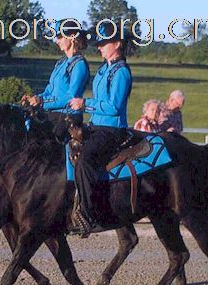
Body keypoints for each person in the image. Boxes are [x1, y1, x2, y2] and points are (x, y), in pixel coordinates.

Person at [69, 22, 133, 237]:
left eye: (104, 43)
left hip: (111, 130)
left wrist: (85, 104)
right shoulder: (104, 69)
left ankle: (90, 214)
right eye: (99, 43)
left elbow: (114, 107)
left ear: (117, 44)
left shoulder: (121, 72)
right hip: (96, 126)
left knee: (85, 160)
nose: (100, 47)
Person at [21, 19, 90, 112]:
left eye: (60, 37)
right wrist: (35, 99)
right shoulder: (61, 63)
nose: (57, 41)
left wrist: (42, 101)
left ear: (72, 37)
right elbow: (49, 91)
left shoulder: (79, 65)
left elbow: (71, 97)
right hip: (52, 114)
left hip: (67, 117)